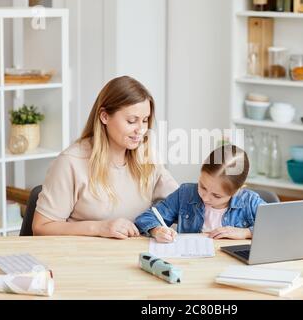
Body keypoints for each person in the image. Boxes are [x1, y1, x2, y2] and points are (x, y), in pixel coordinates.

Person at [32, 76, 179, 238]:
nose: (141, 129)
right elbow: (41, 227)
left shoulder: (146, 155)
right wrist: (99, 228)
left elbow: (182, 200)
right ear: (104, 116)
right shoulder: (70, 162)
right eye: (131, 121)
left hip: (133, 256)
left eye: (145, 121)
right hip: (85, 258)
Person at [135, 145, 266, 243]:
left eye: (216, 196)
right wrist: (156, 230)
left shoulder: (249, 202)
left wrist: (247, 232)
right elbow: (147, 217)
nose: (205, 197)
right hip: (192, 265)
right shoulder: (185, 193)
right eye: (202, 186)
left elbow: (281, 224)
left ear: (237, 191)